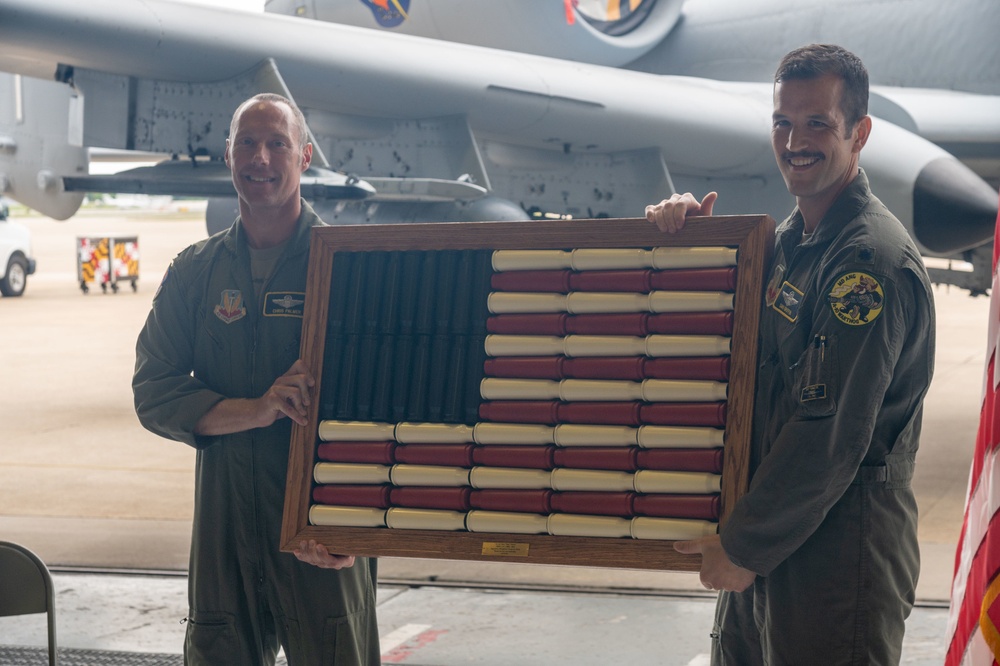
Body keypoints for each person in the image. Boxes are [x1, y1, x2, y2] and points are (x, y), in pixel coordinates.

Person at [645, 44, 935, 664]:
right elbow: (732, 348)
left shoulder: (867, 264)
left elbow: (829, 433)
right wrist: (696, 243)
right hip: (776, 530)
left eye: (817, 124)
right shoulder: (794, 240)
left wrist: (744, 545)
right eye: (783, 122)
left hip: (839, 555)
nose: (794, 141)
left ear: (859, 134)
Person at [133, 93, 380, 665]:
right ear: (228, 155)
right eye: (247, 142)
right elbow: (154, 389)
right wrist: (259, 407)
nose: (260, 157)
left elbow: (387, 406)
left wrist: (357, 526)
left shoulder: (350, 265)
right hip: (225, 533)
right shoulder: (195, 272)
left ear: (305, 156)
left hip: (321, 524)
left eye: (277, 143)